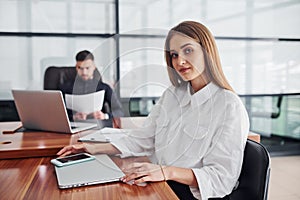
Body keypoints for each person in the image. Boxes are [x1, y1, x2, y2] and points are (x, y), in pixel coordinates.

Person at [57, 21, 249, 200]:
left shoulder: (229, 106)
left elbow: (222, 178)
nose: (179, 61)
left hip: (190, 193)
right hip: (161, 182)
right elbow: (144, 138)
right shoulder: (173, 94)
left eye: (188, 50)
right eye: (174, 55)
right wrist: (92, 148)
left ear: (207, 51)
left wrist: (167, 171)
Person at [58, 50, 124, 127]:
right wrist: (73, 117)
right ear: (76, 67)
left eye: (87, 68)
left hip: (97, 127)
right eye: (80, 68)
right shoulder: (64, 88)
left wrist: (104, 116)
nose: (84, 72)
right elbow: (56, 113)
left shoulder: (104, 87)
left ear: (94, 67)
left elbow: (120, 111)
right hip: (73, 126)